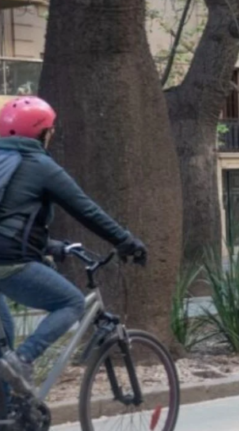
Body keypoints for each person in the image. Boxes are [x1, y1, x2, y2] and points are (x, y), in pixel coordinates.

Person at [0, 96, 146, 395]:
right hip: (8, 262)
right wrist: (125, 241)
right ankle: (25, 360)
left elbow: (10, 218)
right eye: (50, 130)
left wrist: (49, 246)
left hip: (9, 253)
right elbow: (86, 210)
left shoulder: (4, 161)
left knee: (4, 347)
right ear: (43, 133)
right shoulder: (39, 164)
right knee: (71, 303)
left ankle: (8, 416)